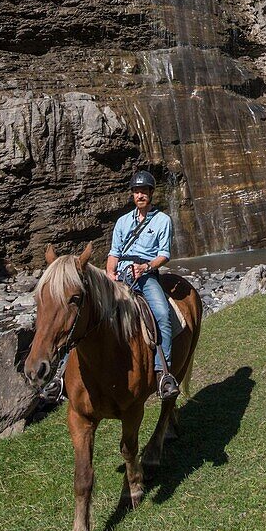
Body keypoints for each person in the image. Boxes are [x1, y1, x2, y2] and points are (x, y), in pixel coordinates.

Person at [106, 171, 179, 400]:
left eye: (144, 191)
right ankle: (63, 373)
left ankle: (163, 372)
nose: (140, 195)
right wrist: (109, 272)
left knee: (162, 312)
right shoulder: (122, 222)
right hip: (121, 274)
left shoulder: (162, 221)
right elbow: (114, 253)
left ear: (151, 194)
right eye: (137, 191)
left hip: (145, 274)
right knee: (91, 310)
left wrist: (146, 267)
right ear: (132, 195)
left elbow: (164, 254)